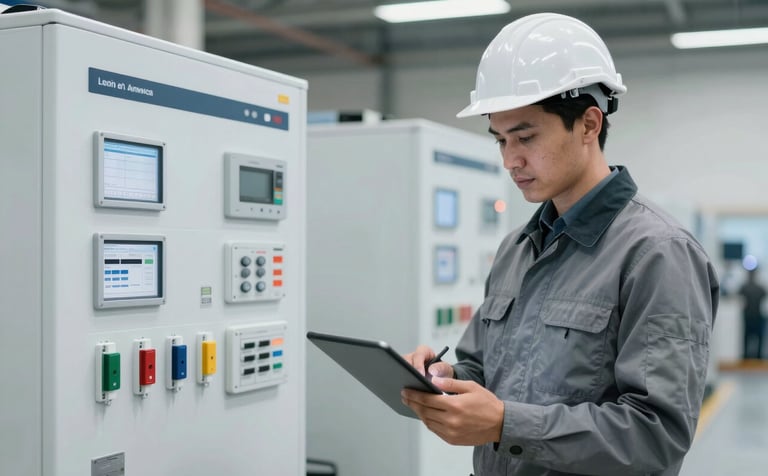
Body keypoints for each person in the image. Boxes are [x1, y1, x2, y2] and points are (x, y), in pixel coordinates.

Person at [401, 13, 719, 476]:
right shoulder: (517, 247)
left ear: (589, 125)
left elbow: (656, 435)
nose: (511, 160)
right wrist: (444, 380)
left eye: (526, 137)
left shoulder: (657, 254)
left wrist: (506, 424)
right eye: (501, 140)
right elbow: (485, 370)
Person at [739, 267, 766, 360]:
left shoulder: (744, 287)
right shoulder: (760, 288)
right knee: (758, 338)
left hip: (748, 316)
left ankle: (746, 357)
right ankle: (758, 357)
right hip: (758, 316)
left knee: (746, 337)